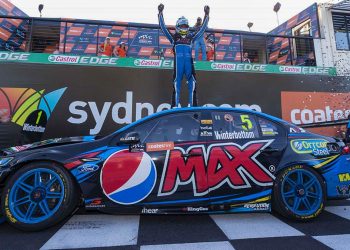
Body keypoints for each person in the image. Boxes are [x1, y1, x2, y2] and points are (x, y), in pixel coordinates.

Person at [158, 3, 209, 108]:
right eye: (182, 26)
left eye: (185, 26)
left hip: (189, 65)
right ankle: (175, 106)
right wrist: (160, 13)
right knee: (176, 85)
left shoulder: (191, 38)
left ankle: (193, 106)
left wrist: (206, 15)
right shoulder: (174, 38)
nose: (184, 28)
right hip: (179, 66)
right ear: (177, 26)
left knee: (193, 84)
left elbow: (202, 30)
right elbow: (163, 28)